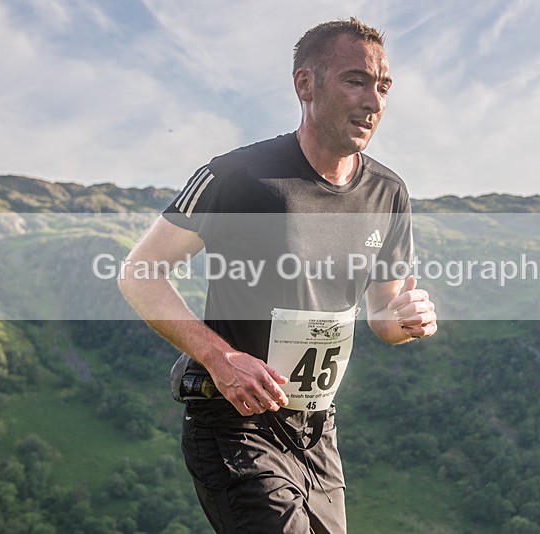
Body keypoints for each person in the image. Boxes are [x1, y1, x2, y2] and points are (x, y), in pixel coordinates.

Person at [118, 17, 437, 534]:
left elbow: (381, 315)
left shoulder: (388, 193)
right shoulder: (238, 177)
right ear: (304, 84)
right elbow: (139, 274)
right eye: (355, 81)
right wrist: (221, 359)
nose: (374, 102)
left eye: (383, 87)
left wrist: (405, 318)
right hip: (234, 423)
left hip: (317, 430)